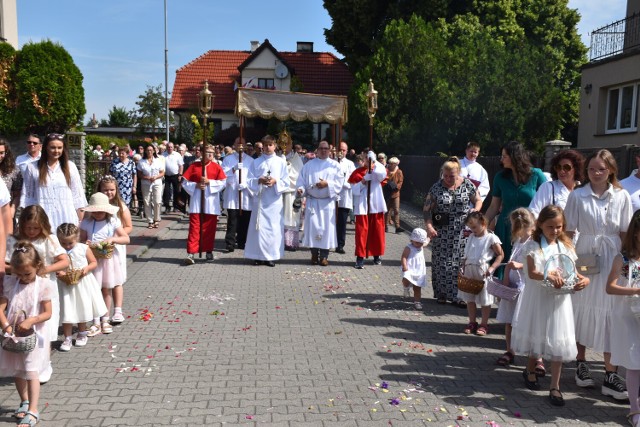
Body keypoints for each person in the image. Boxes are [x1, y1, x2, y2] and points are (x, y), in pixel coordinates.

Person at [564, 149, 632, 399]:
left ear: (611, 170)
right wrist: (567, 263)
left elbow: (625, 232)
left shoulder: (621, 196)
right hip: (586, 256)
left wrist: (628, 262)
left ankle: (610, 374)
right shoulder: (578, 196)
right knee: (581, 307)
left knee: (612, 313)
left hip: (613, 254)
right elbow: (569, 232)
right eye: (592, 169)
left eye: (601, 169)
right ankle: (581, 363)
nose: (595, 173)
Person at [511, 205, 589, 406]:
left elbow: (572, 270)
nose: (555, 231)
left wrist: (583, 279)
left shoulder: (566, 246)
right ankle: (530, 369)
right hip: (539, 297)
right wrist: (549, 274)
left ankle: (555, 385)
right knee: (537, 331)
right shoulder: (533, 246)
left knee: (557, 338)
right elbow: (532, 272)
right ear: (540, 225)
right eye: (550, 227)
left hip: (559, 300)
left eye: (558, 227)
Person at [7, 206, 69, 384]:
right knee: (23, 324)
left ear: (43, 225)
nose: (32, 232)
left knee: (46, 327)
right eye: (28, 228)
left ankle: (44, 364)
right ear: (22, 226)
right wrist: (20, 270)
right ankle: (23, 363)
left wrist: (44, 269)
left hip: (44, 289)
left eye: (35, 228)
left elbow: (64, 261)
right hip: (21, 290)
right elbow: (5, 263)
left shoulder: (49, 240)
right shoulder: (15, 241)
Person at [0, 242, 53, 427]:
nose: (23, 278)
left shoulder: (44, 285)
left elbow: (48, 313)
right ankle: (24, 400)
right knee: (18, 370)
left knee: (31, 371)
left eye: (27, 274)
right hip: (13, 335)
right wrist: (6, 325)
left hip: (34, 336)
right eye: (19, 274)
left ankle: (33, 409)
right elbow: (1, 308)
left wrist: (31, 320)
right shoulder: (9, 283)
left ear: (37, 267)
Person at [424, 157, 483, 305]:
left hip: (463, 229)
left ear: (458, 173)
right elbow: (426, 209)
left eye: (452, 176)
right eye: (446, 175)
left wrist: (475, 210)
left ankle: (460, 296)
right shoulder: (436, 187)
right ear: (442, 173)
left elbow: (478, 200)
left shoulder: (467, 185)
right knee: (441, 262)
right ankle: (442, 294)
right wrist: (430, 227)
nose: (449, 179)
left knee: (460, 262)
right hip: (442, 229)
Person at [484, 141, 548, 267]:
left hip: (530, 228)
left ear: (515, 156)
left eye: (504, 156)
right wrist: (482, 226)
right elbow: (494, 206)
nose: (501, 159)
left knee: (528, 264)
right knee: (505, 264)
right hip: (506, 228)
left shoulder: (537, 175)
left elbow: (547, 203)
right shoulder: (500, 177)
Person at [606, 210, 640, 426]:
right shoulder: (624, 259)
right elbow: (610, 287)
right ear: (636, 233)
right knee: (634, 363)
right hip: (628, 316)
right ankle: (634, 410)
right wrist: (635, 291)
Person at [79, 193, 130, 334]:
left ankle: (105, 319)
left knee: (106, 289)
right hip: (93, 260)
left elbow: (126, 239)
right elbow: (81, 240)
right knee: (94, 290)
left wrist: (112, 239)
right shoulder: (87, 223)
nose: (98, 214)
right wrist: (86, 243)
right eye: (95, 211)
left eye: (101, 211)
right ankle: (95, 321)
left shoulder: (112, 222)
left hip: (108, 261)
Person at [56, 223, 108, 350]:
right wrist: (60, 273)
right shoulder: (57, 251)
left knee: (82, 307)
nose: (67, 246)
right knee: (67, 310)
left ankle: (82, 333)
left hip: (82, 282)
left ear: (77, 238)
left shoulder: (83, 248)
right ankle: (67, 338)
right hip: (65, 284)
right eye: (63, 243)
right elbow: (55, 266)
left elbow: (94, 262)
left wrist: (86, 269)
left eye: (70, 243)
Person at [21, 133, 87, 230]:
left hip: (67, 219)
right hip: (42, 219)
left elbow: (78, 197)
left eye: (59, 148)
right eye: (52, 147)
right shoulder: (32, 167)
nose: (56, 151)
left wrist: (81, 223)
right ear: (45, 148)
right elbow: (27, 197)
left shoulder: (71, 167)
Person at [495, 208, 535, 367]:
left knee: (526, 322)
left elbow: (537, 263)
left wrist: (520, 265)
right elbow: (510, 262)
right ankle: (510, 350)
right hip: (513, 286)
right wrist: (505, 282)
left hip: (525, 286)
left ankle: (535, 355)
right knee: (509, 320)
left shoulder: (534, 242)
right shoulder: (518, 240)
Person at [295, 140, 342, 266]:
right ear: (317, 150)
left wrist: (327, 184)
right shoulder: (309, 165)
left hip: (327, 203)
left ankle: (324, 257)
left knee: (326, 230)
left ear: (329, 150)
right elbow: (301, 182)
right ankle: (314, 255)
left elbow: (339, 184)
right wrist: (301, 190)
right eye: (321, 148)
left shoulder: (335, 165)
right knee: (313, 229)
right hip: (313, 202)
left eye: (326, 148)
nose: (323, 150)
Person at [244, 135, 289, 267]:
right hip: (261, 200)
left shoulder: (280, 162)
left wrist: (276, 181)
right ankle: (257, 256)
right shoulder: (256, 162)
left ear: (275, 146)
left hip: (274, 201)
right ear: (262, 146)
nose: (268, 147)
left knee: (273, 229)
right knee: (259, 228)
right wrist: (259, 180)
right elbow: (248, 180)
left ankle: (271, 256)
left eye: (270, 145)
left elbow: (286, 181)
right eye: (265, 145)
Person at [458, 212, 504, 336]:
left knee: (485, 299)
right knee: (470, 298)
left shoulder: (491, 238)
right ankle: (472, 322)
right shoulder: (472, 236)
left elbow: (500, 255)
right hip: (469, 270)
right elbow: (467, 253)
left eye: (474, 227)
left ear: (483, 223)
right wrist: (463, 266)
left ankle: (484, 324)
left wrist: (492, 268)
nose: (472, 230)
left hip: (483, 271)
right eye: (470, 227)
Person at [181, 144, 226, 264]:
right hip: (196, 202)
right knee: (195, 228)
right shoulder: (194, 166)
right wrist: (195, 185)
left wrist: (209, 183)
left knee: (209, 229)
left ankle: (208, 251)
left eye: (212, 152)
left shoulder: (216, 167)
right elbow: (184, 182)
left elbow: (223, 183)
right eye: (208, 152)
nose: (211, 154)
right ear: (201, 153)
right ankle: (191, 253)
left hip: (211, 203)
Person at [348, 151, 387, 269]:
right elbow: (353, 190)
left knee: (377, 231)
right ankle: (360, 258)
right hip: (362, 206)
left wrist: (374, 162)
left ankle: (376, 255)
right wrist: (363, 181)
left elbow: (382, 175)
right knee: (361, 233)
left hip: (375, 205)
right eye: (365, 158)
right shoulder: (357, 172)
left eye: (368, 158)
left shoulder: (377, 169)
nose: (366, 160)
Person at [96, 175, 133, 299]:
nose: (109, 192)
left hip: (115, 246)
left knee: (116, 278)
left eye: (112, 189)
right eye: (105, 190)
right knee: (102, 279)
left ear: (116, 190)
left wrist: (117, 235)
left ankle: (118, 309)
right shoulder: (95, 206)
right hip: (99, 248)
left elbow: (128, 226)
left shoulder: (120, 207)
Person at [529, 149, 585, 217]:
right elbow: (533, 212)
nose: (562, 171)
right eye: (558, 167)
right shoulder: (548, 187)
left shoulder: (583, 189)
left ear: (576, 169)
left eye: (566, 167)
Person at [221, 138, 254, 252]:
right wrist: (233, 170)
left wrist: (246, 184)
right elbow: (223, 175)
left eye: (242, 143)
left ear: (245, 145)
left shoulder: (250, 161)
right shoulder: (228, 159)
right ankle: (230, 242)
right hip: (233, 193)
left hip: (246, 193)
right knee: (232, 220)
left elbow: (253, 177)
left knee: (245, 219)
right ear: (234, 145)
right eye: (237, 143)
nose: (240, 145)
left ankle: (242, 241)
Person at [282, 135, 304, 252]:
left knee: (291, 217)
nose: (285, 146)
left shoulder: (296, 158)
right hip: (279, 192)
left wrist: (288, 168)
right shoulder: (278, 157)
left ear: (291, 145)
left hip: (292, 192)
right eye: (283, 143)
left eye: (288, 144)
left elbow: (299, 175)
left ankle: (290, 242)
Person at [137, 144, 165, 228]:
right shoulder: (141, 161)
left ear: (154, 151)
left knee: (157, 201)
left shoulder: (158, 160)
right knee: (147, 201)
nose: (149, 152)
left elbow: (162, 172)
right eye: (148, 150)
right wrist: (146, 177)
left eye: (151, 150)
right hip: (146, 183)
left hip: (156, 182)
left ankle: (156, 219)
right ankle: (150, 220)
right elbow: (139, 174)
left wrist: (156, 177)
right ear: (145, 151)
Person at [401, 228, 429, 310]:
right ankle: (406, 288)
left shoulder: (421, 246)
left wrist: (430, 236)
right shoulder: (408, 248)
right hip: (409, 268)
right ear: (412, 240)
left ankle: (417, 301)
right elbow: (404, 257)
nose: (418, 244)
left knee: (417, 287)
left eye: (421, 243)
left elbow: (426, 242)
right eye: (417, 242)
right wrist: (404, 266)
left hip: (419, 270)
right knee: (406, 279)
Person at [335, 142, 356, 254]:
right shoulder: (332, 162)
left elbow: (353, 180)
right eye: (340, 149)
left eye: (343, 150)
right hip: (332, 198)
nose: (341, 152)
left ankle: (340, 245)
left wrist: (343, 182)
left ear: (346, 152)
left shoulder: (350, 164)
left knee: (342, 223)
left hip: (344, 197)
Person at [0, 138, 23, 232]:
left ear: (6, 153)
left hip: (6, 213)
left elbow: (17, 194)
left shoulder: (13, 170)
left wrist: (12, 210)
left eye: (1, 153)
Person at [384, 157, 404, 234]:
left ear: (396, 164)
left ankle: (397, 227)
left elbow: (401, 181)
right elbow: (384, 179)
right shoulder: (386, 170)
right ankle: (385, 225)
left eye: (394, 163)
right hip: (388, 193)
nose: (392, 165)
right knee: (387, 210)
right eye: (391, 163)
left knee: (396, 210)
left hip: (396, 193)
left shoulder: (399, 172)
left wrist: (396, 187)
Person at [162, 142, 184, 212]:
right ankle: (167, 207)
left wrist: (180, 175)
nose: (170, 148)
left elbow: (181, 165)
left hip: (175, 175)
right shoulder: (163, 155)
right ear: (166, 147)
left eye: (171, 147)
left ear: (173, 147)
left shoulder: (177, 155)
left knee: (176, 191)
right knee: (166, 192)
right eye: (168, 147)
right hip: (166, 176)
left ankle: (176, 206)